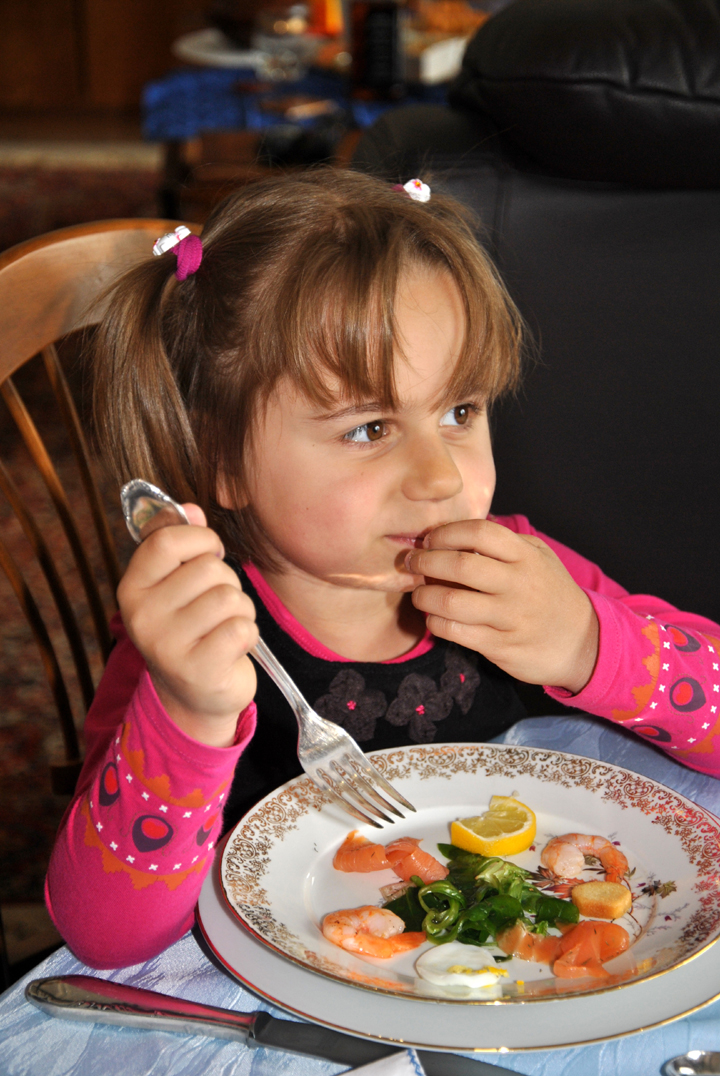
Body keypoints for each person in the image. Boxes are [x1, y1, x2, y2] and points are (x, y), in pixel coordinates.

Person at [46, 170, 720, 969]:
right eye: (369, 428)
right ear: (219, 457)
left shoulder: (514, 570)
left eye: (460, 412)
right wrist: (189, 715)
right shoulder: (197, 643)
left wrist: (588, 646)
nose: (439, 476)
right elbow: (106, 938)